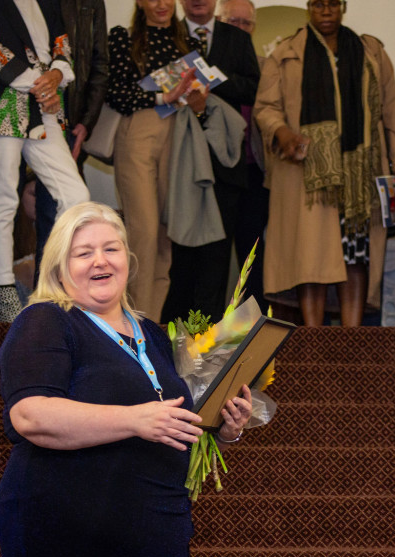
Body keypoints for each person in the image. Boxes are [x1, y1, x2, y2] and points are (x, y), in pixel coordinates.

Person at [0, 201, 253, 557]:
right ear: (58, 266)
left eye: (111, 249)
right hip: (66, 533)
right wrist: (134, 419)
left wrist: (226, 426)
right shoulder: (46, 321)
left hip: (153, 539)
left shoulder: (153, 334)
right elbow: (31, 415)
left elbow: (177, 417)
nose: (100, 261)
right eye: (84, 252)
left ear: (128, 261)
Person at [253, 0, 395, 326]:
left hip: (361, 175)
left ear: (342, 7)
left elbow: (391, 113)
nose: (325, 10)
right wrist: (282, 132)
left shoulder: (371, 53)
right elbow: (265, 108)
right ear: (309, 7)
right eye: (318, 4)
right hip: (307, 175)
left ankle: (349, 336)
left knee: (355, 256)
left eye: (332, 4)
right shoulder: (285, 53)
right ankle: (313, 336)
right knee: (309, 259)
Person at [0, 0, 90, 322]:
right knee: (3, 197)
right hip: (0, 99)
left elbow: (62, 46)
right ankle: (3, 291)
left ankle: (50, 289)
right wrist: (41, 84)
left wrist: (53, 76)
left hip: (44, 104)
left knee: (75, 196)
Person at [162, 0, 261, 323]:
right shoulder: (167, 33)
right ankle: (172, 340)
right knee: (180, 260)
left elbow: (253, 88)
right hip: (179, 163)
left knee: (215, 261)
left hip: (224, 164)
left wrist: (210, 78)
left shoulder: (237, 38)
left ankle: (208, 344)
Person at [106, 0, 202, 322]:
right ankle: (128, 323)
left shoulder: (190, 42)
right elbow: (116, 93)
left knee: (164, 237)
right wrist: (164, 97)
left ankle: (149, 323)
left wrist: (197, 99)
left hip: (178, 135)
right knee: (143, 231)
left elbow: (199, 98)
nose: (161, 4)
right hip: (139, 131)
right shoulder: (124, 37)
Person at [33, 0, 110, 286]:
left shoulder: (91, 3)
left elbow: (99, 64)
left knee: (57, 215)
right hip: (16, 108)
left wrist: (85, 124)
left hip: (67, 120)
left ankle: (55, 300)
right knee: (4, 206)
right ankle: (4, 307)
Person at [217, 0, 270, 310]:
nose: (239, 29)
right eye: (231, 23)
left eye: (245, 23)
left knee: (254, 255)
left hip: (254, 174)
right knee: (216, 256)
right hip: (218, 175)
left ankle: (252, 325)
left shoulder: (265, 67)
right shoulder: (209, 66)